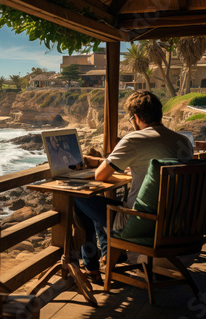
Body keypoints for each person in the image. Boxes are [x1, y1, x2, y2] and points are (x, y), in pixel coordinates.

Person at [74, 91, 193, 284]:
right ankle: (110, 254)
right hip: (177, 222)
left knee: (81, 199)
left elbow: (100, 175)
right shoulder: (183, 141)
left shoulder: (134, 139)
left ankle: (91, 267)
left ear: (136, 118)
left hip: (142, 224)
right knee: (104, 206)